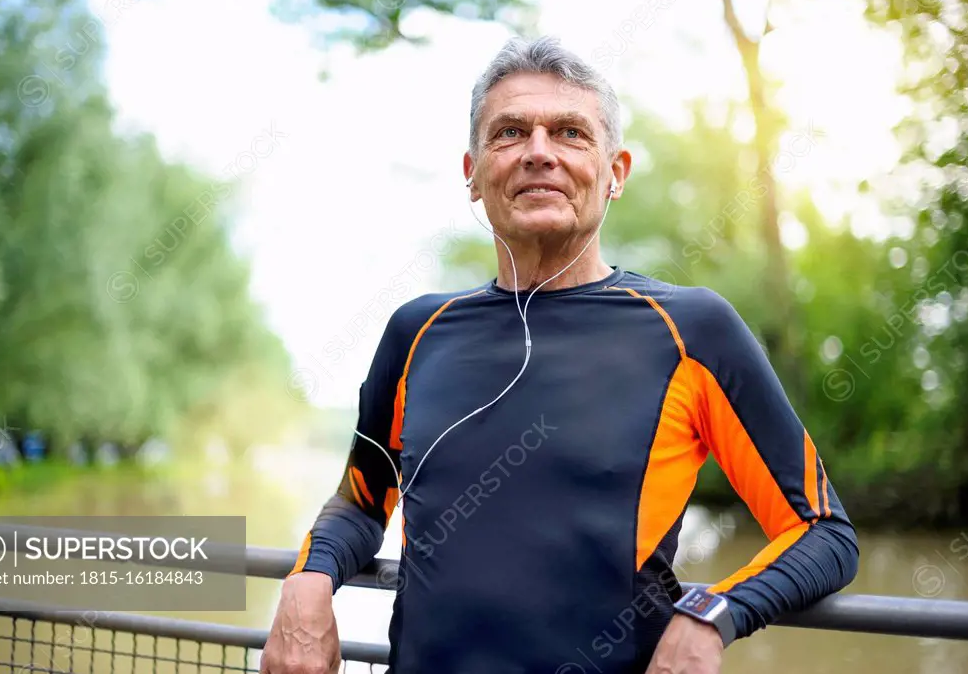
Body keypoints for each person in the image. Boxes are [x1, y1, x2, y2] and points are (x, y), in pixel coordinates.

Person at [260, 35, 859, 674]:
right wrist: (308, 578)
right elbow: (359, 500)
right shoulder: (416, 331)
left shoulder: (692, 330)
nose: (539, 153)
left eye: (570, 133)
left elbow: (823, 531)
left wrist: (714, 613)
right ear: (472, 174)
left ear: (615, 173)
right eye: (510, 132)